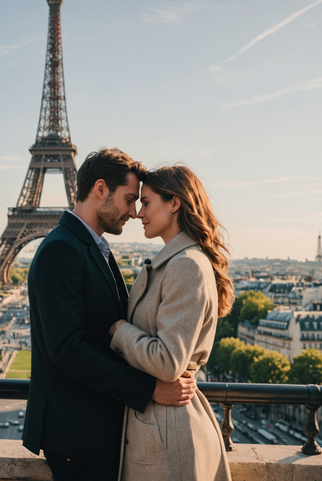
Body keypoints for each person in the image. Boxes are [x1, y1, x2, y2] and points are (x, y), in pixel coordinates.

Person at [23, 149, 197, 481]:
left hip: (91, 431)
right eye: (130, 199)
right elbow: (67, 350)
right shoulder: (62, 250)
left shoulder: (88, 247)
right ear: (101, 189)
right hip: (79, 437)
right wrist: (147, 389)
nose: (133, 213)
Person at [109, 166, 234, 481]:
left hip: (168, 432)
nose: (138, 213)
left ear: (174, 202)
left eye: (147, 202)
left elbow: (168, 362)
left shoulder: (185, 266)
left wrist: (119, 330)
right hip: (164, 425)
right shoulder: (177, 262)